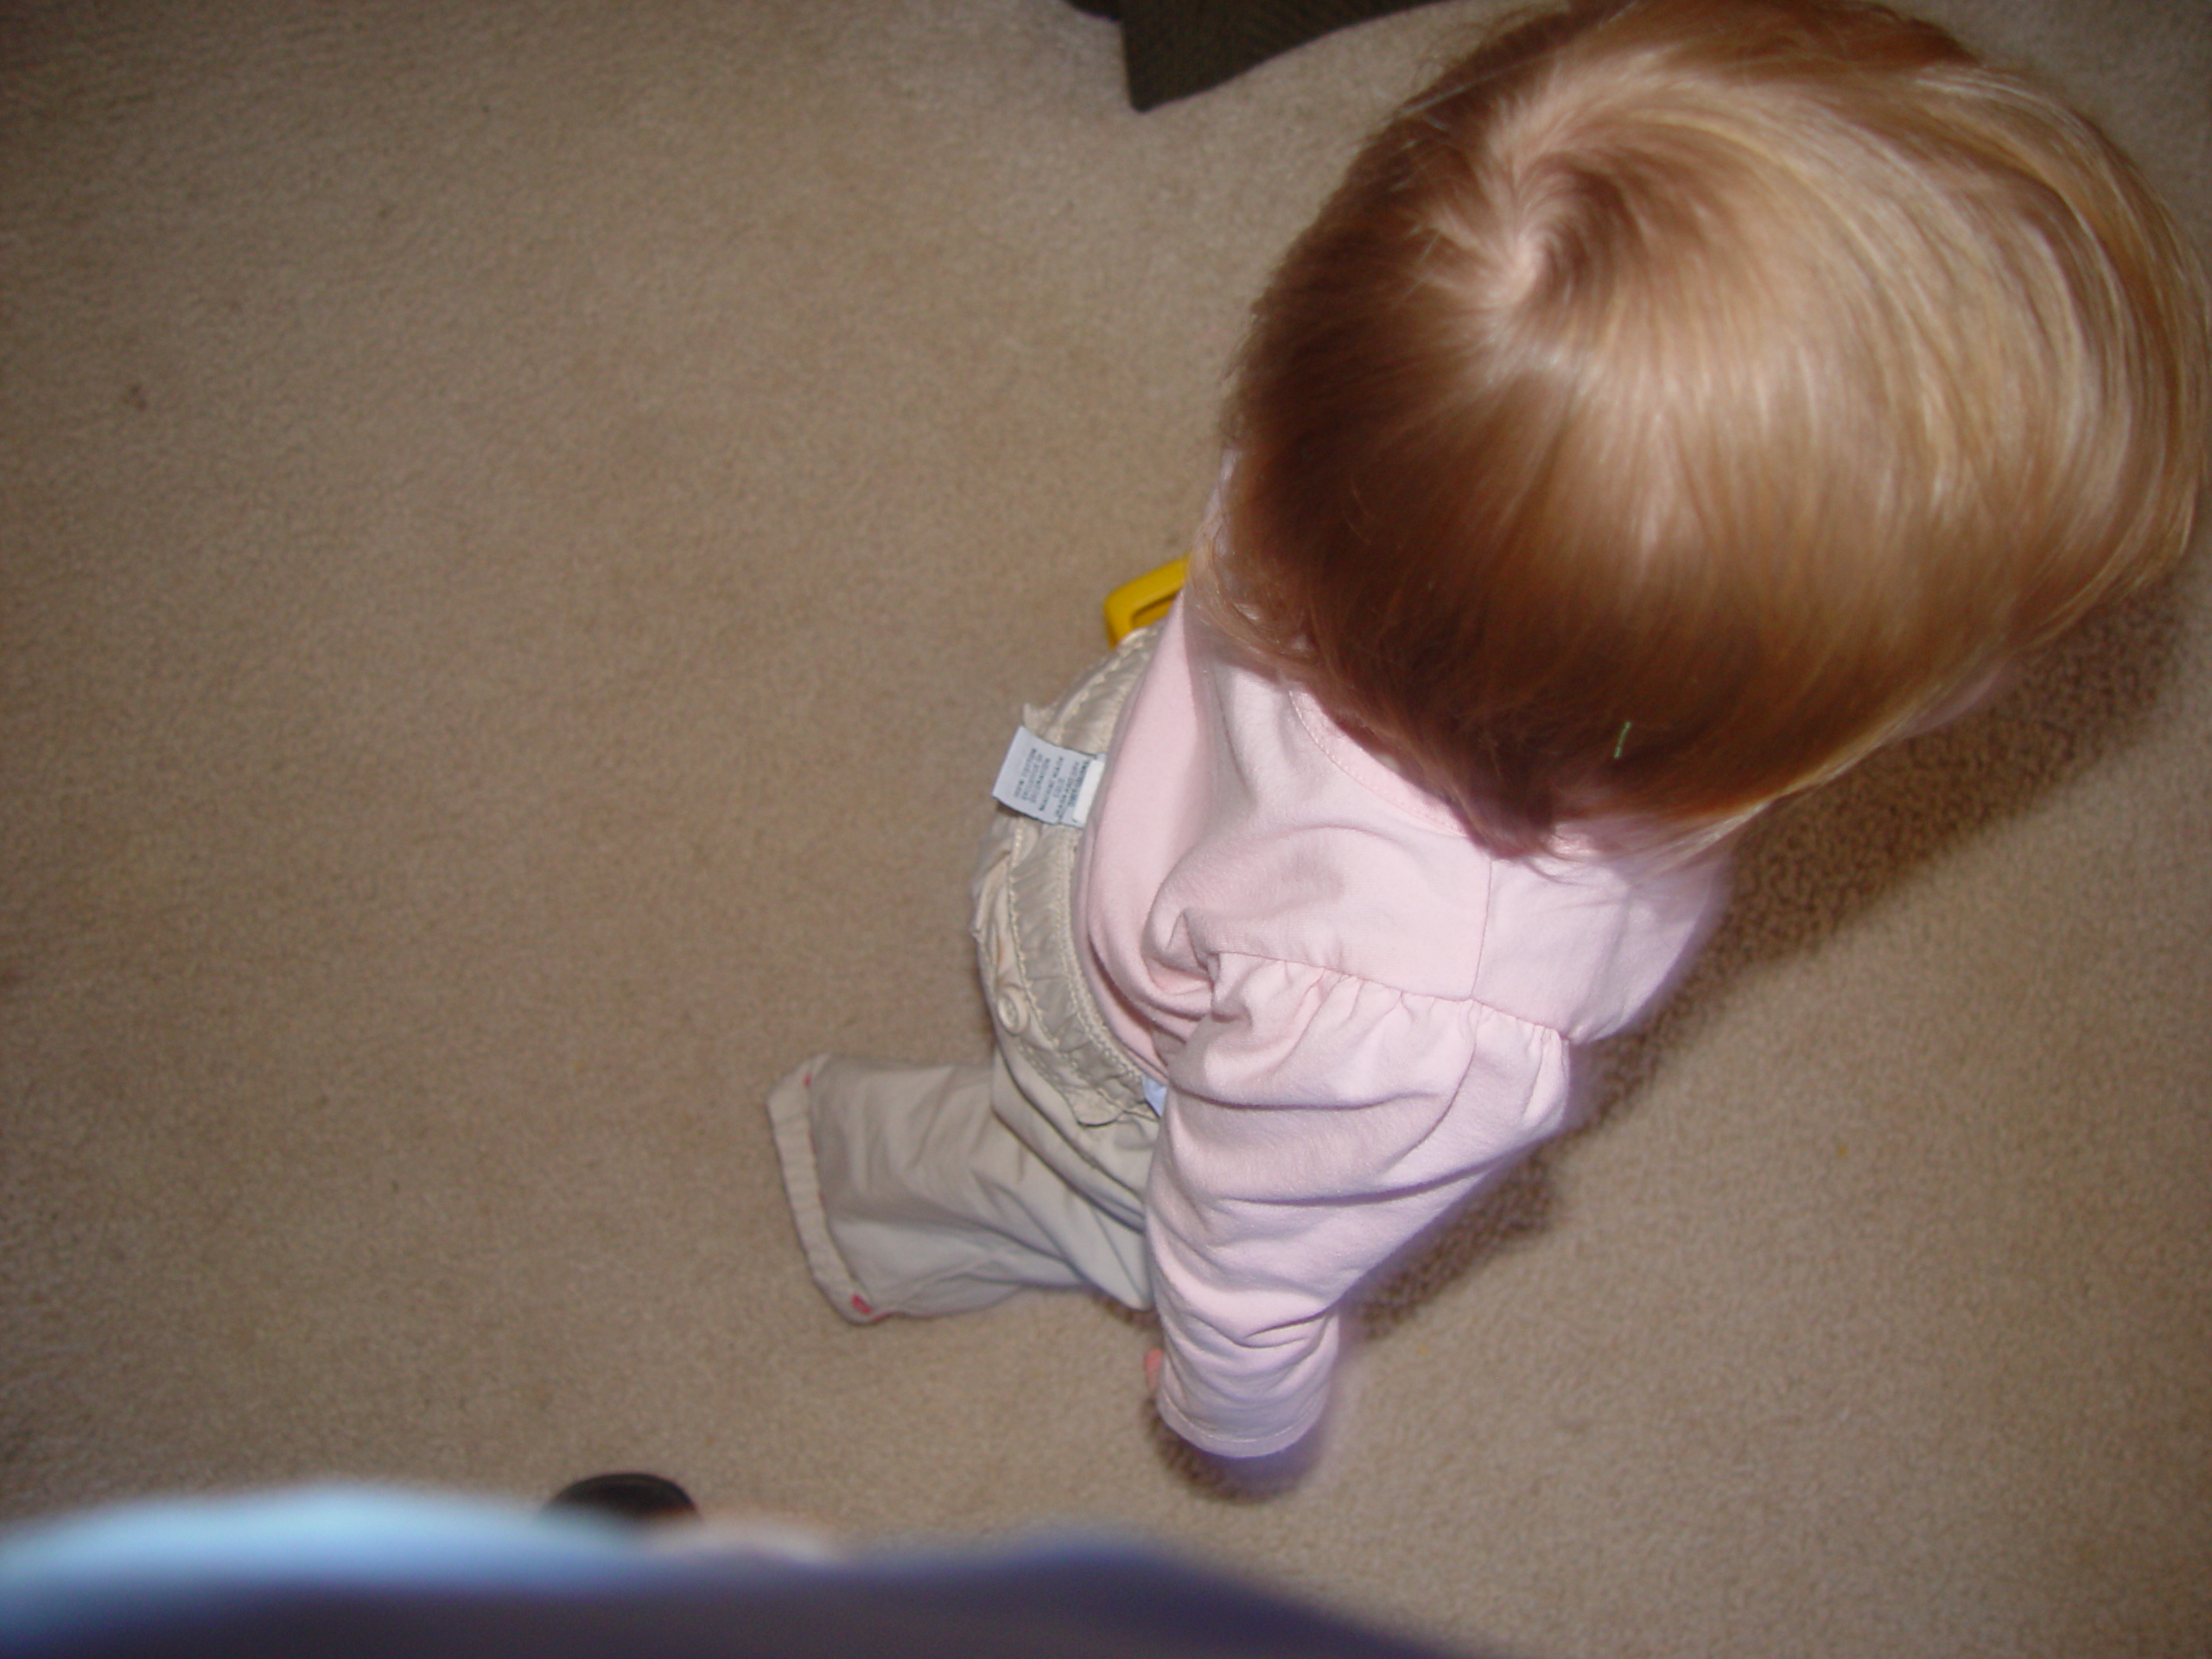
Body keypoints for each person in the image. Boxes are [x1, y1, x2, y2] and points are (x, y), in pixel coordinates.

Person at [766, 0, 2209, 1464]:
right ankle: (860, 1192)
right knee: (1069, 1178)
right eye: (1974, 660)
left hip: (1117, 778)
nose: (1993, 689)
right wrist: (1239, 1412)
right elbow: (1245, 1248)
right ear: (1722, 746)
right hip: (1134, 1021)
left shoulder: (1372, 448)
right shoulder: (1442, 1021)